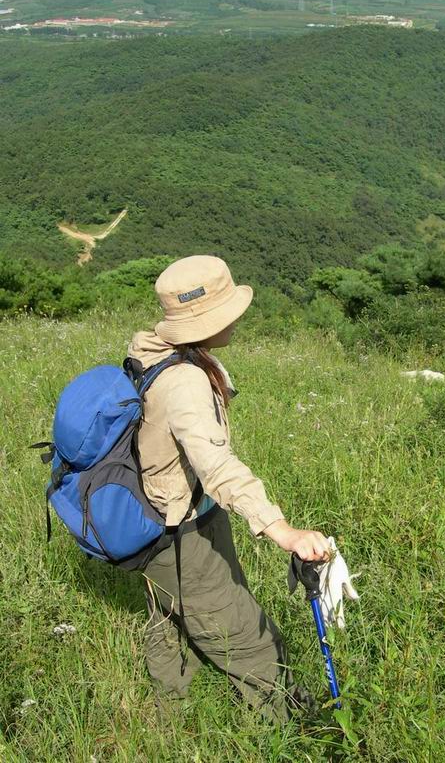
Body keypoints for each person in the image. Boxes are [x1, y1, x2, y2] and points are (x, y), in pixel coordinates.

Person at [126, 255, 331, 722]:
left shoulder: (153, 351)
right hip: (179, 533)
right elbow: (215, 465)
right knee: (248, 639)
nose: (237, 318)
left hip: (162, 518)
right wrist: (283, 531)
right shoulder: (184, 380)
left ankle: (171, 712)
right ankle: (290, 728)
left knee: (170, 617)